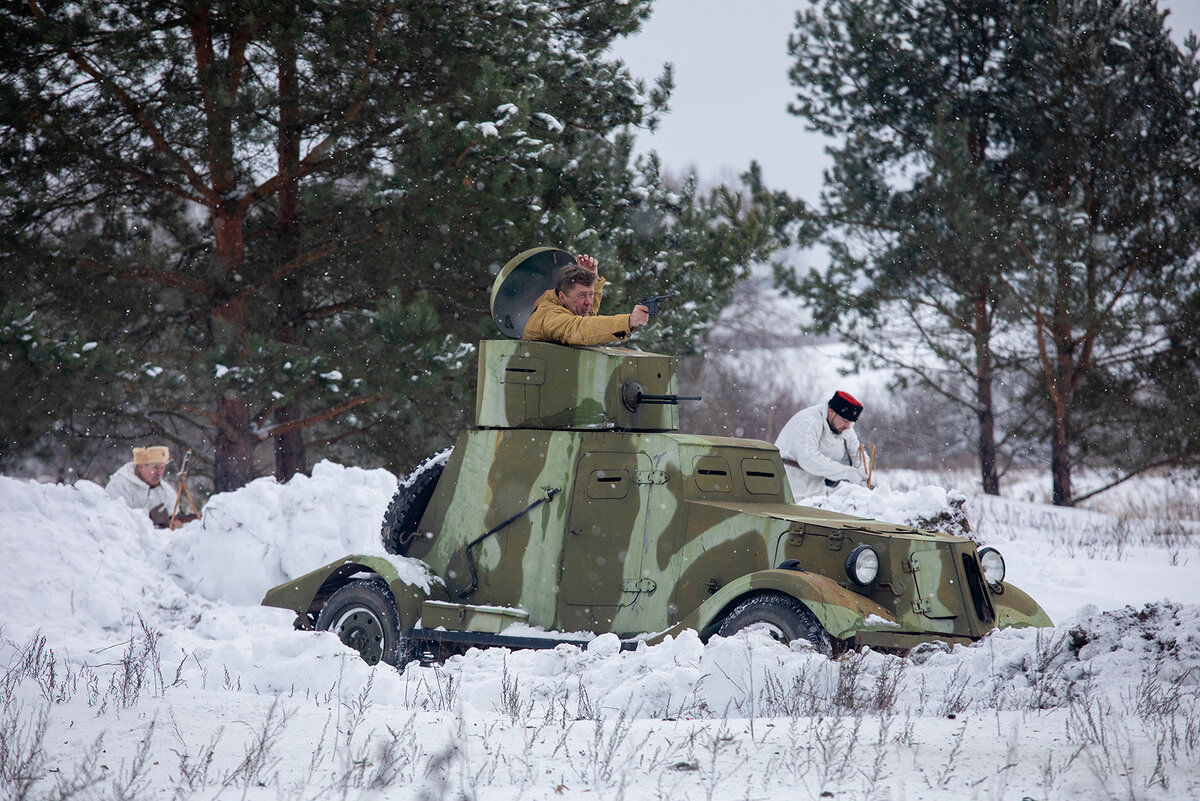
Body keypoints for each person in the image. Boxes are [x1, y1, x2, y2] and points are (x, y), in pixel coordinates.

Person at [522, 254, 651, 345]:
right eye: (582, 295)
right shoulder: (549, 315)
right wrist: (627, 321)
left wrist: (592, 277)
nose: (589, 302)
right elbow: (579, 329)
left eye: (591, 294)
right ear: (562, 296)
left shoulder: (570, 307)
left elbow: (586, 318)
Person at [775, 391, 869, 500]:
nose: (848, 426)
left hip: (816, 495)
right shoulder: (809, 422)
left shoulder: (845, 429)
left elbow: (857, 453)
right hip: (786, 492)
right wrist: (846, 473)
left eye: (851, 422)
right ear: (831, 411)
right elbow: (808, 459)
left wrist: (862, 475)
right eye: (845, 420)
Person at [106, 445, 185, 529]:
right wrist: (149, 517)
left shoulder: (167, 492)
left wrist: (173, 524)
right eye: (155, 467)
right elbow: (116, 519)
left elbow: (175, 518)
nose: (159, 473)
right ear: (141, 467)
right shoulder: (120, 485)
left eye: (162, 468)